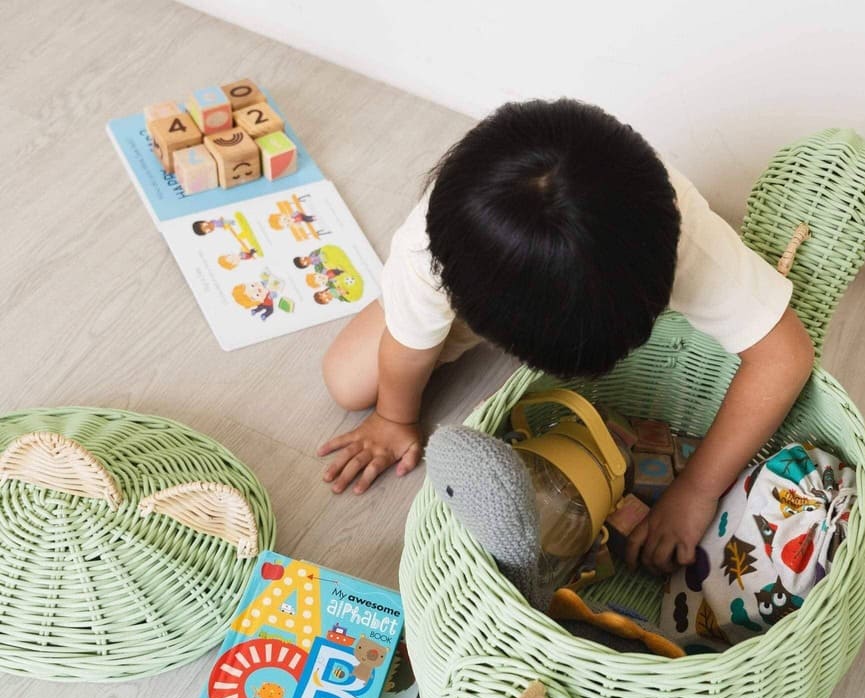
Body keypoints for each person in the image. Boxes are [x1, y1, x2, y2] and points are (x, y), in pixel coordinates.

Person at [318, 99, 814, 575]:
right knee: (348, 381)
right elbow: (405, 353)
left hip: (573, 246)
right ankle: (428, 321)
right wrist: (393, 417)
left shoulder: (682, 235)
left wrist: (699, 490)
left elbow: (785, 356)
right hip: (472, 262)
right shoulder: (428, 255)